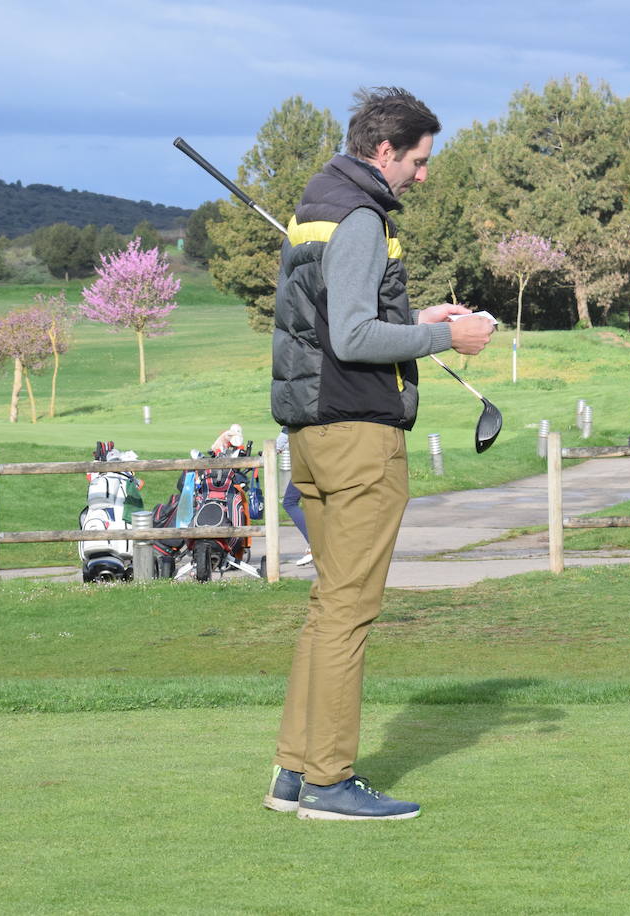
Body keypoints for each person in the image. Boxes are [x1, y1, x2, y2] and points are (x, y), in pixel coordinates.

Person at [262, 87, 496, 820]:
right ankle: (329, 782)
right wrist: (445, 337)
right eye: (419, 162)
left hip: (314, 431)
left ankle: (295, 773)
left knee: (328, 603)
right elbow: (354, 340)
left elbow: (341, 318)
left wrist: (414, 318)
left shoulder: (318, 203)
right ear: (385, 150)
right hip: (359, 434)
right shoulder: (361, 216)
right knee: (350, 611)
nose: (423, 177)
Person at [275, 428, 313, 567]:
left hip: (306, 465)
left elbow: (284, 437)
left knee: (289, 502)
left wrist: (274, 449)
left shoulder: (294, 414)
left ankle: (313, 544)